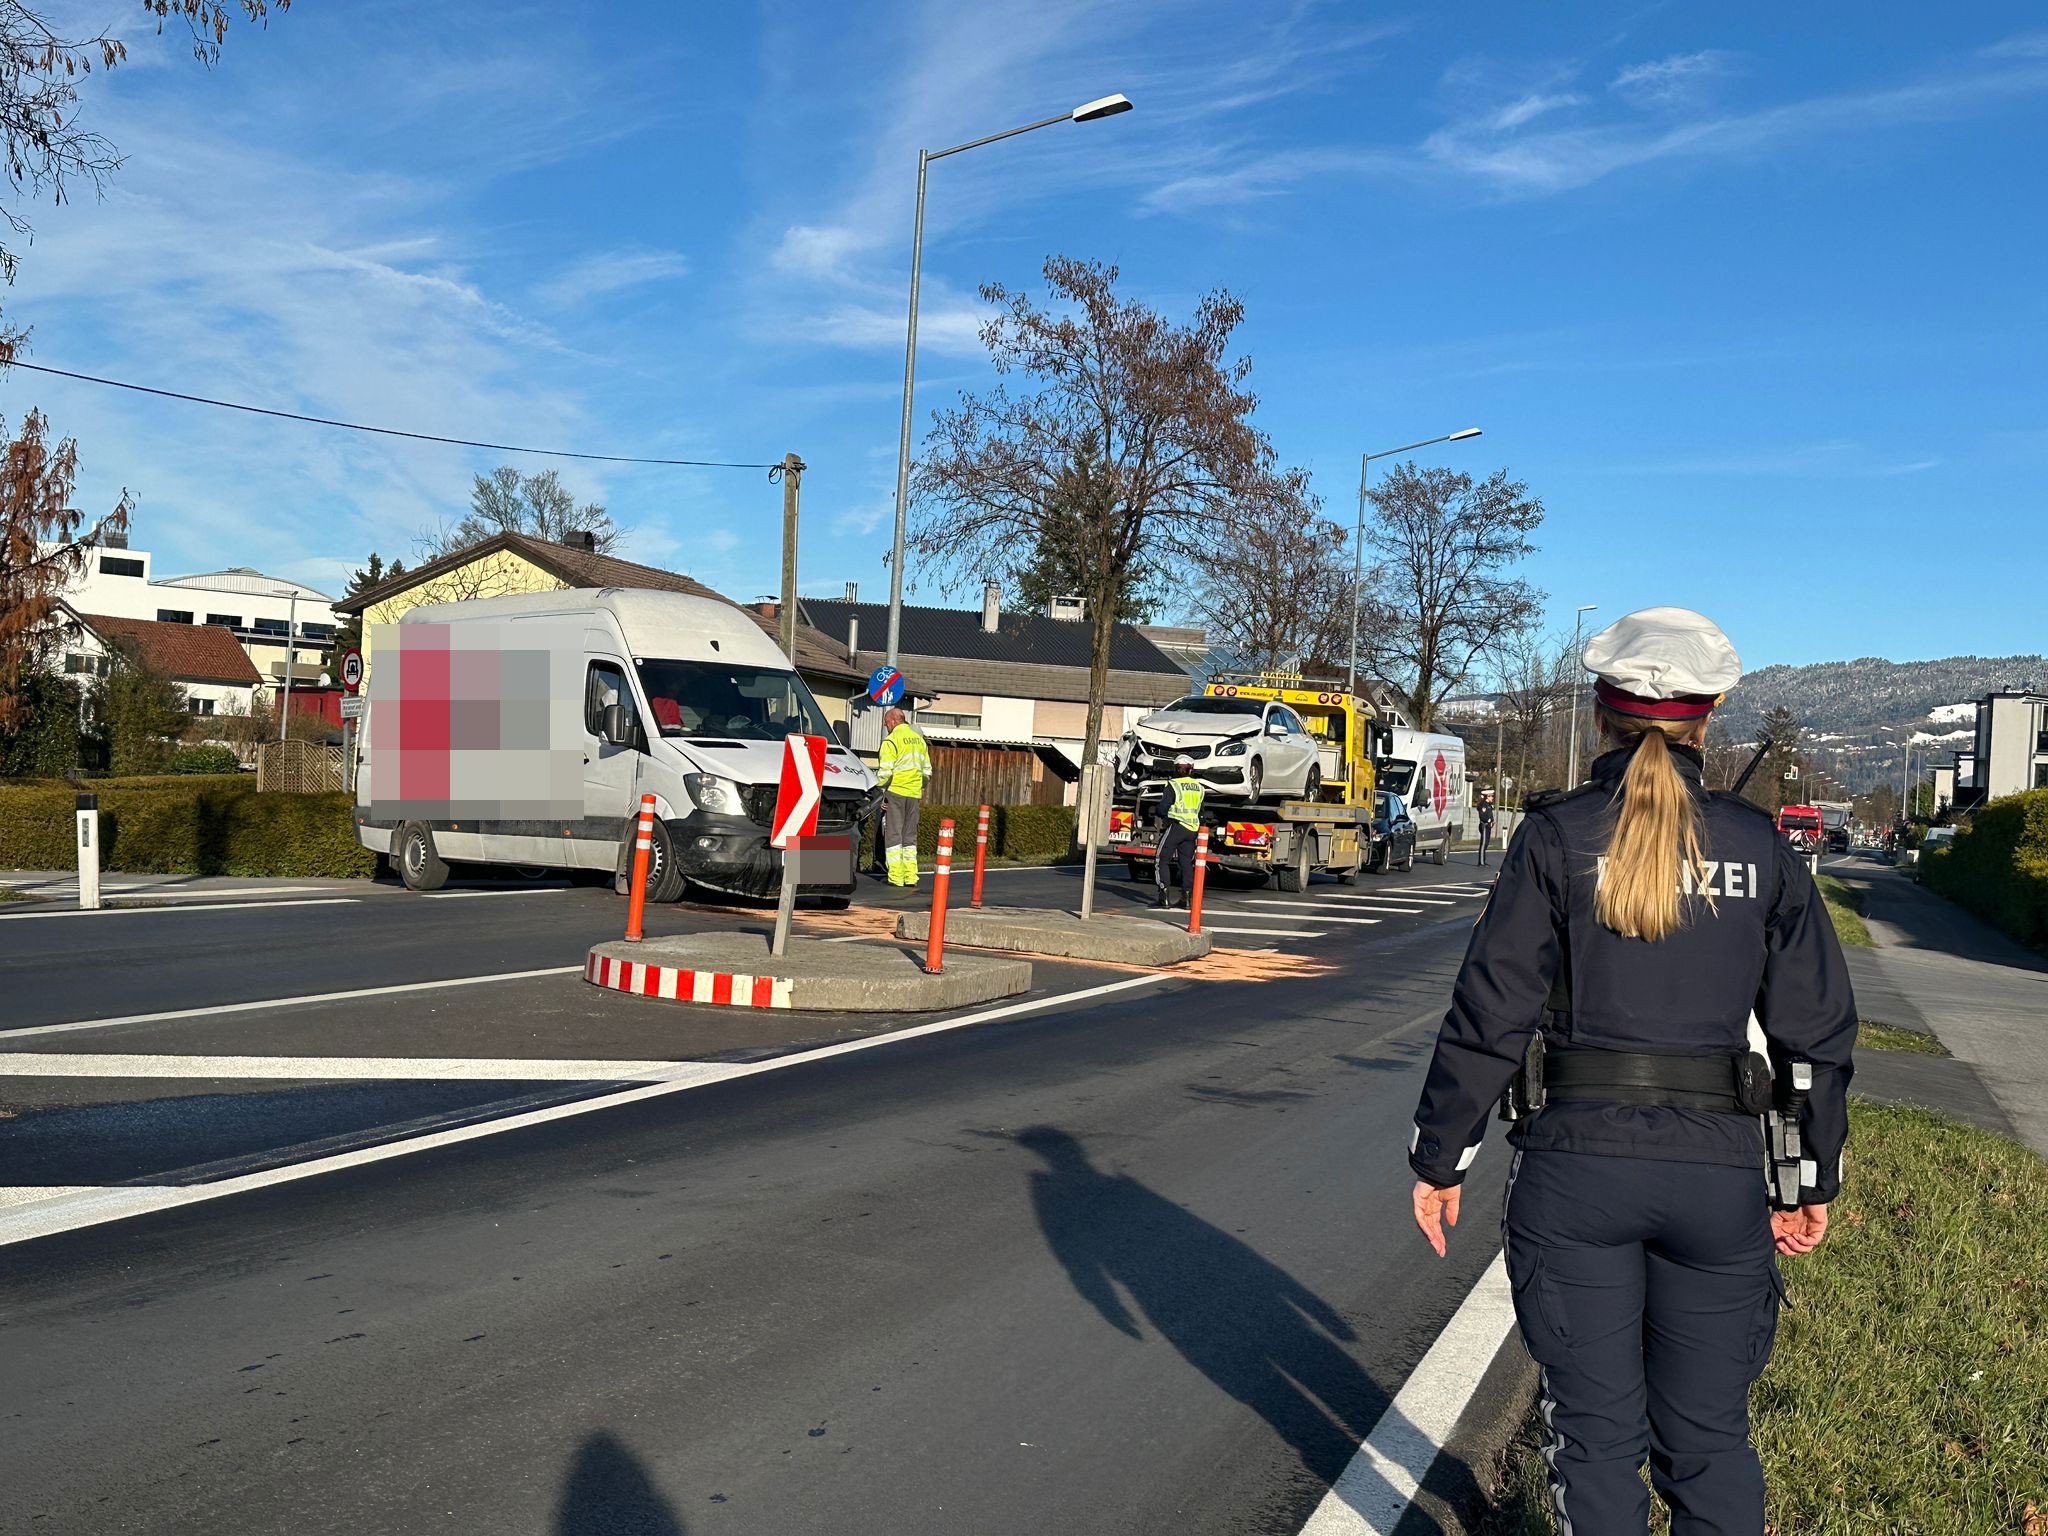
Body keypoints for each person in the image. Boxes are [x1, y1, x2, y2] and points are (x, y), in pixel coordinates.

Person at [1406, 607, 1856, 1536]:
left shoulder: (1555, 837)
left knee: (1597, 1442)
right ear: (1711, 714)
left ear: (1603, 710)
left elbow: (1491, 1011)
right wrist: (1810, 1176)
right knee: (1708, 1441)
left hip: (1577, 1173)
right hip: (1719, 1177)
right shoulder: (1763, 848)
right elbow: (1815, 1035)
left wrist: (1440, 1156)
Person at [875, 706, 932, 888]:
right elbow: (927, 772)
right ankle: (911, 876)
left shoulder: (891, 741)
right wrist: (916, 786)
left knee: (893, 835)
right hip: (914, 794)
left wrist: (878, 788)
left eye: (886, 724)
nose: (886, 727)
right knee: (909, 836)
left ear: (893, 721)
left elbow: (885, 773)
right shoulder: (919, 741)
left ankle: (896, 877)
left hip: (896, 792)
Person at [1153, 754, 1205, 908]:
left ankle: (1164, 896)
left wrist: (1159, 813)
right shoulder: (1200, 788)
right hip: (1192, 830)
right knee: (1186, 863)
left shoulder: (1173, 784)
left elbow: (1163, 807)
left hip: (1176, 827)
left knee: (1161, 860)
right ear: (1191, 770)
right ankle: (1187, 898)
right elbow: (1201, 812)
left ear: (1176, 769)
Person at [1476, 792, 1497, 867]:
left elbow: (1490, 815)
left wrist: (1492, 821)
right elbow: (1483, 817)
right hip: (1484, 826)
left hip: (1488, 826)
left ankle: (1483, 861)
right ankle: (1481, 862)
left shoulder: (1489, 805)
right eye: (1491, 796)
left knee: (1486, 843)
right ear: (1487, 797)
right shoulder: (1483, 805)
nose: (1492, 798)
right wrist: (1488, 821)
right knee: (1483, 844)